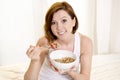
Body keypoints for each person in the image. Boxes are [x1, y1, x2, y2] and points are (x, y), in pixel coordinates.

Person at [24, 1, 93, 80]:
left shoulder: (85, 42)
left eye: (64, 20)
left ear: (74, 21)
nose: (59, 27)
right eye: (53, 23)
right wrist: (35, 60)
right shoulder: (45, 41)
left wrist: (69, 71)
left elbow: (85, 78)